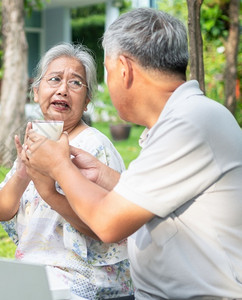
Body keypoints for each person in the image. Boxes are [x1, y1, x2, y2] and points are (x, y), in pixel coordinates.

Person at [23, 8, 242, 299]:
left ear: (124, 69)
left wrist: (60, 166)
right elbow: (153, 202)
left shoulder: (189, 124)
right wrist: (104, 175)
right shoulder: (184, 117)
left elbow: (108, 223)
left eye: (108, 72)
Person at [0, 43, 133, 299]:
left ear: (87, 101)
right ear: (36, 92)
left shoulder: (94, 146)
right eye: (54, 79)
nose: (63, 90)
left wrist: (50, 193)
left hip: (86, 278)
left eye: (76, 83)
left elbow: (106, 226)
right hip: (34, 274)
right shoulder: (35, 142)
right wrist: (23, 172)